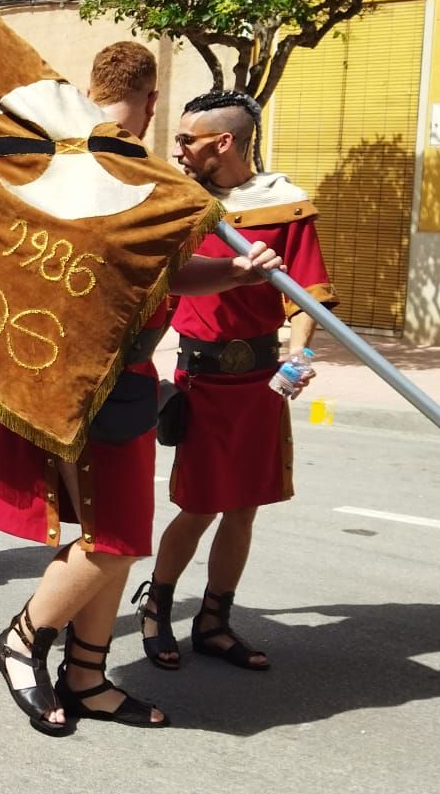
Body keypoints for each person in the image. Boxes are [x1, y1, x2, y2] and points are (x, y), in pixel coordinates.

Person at [0, 49, 288, 736]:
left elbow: (169, 274)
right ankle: (22, 640)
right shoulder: (107, 167)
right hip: (89, 379)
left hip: (111, 376)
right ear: (149, 99)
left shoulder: (86, 166)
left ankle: (87, 679)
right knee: (113, 540)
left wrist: (238, 274)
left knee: (115, 536)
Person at [139, 89, 335, 675]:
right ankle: (157, 606)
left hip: (260, 380)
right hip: (200, 377)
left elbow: (307, 298)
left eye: (186, 141)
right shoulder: (178, 203)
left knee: (244, 507)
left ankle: (214, 622)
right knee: (199, 506)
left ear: (223, 143)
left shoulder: (286, 206)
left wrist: (297, 356)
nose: (177, 151)